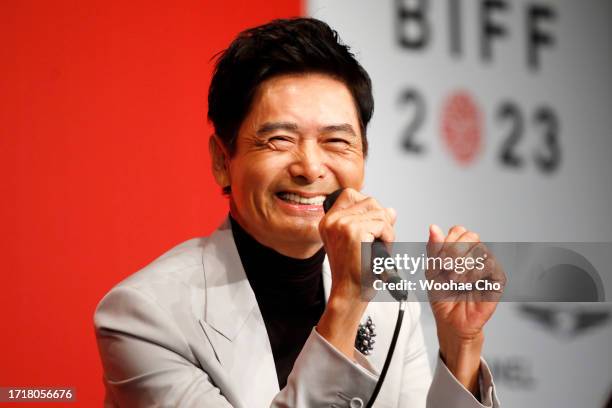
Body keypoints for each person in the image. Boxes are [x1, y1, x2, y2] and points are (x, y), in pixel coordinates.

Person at [94, 17, 501, 407]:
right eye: (279, 139)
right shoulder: (145, 314)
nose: (309, 167)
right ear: (222, 159)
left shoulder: (389, 299)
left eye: (337, 142)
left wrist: (460, 346)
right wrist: (345, 303)